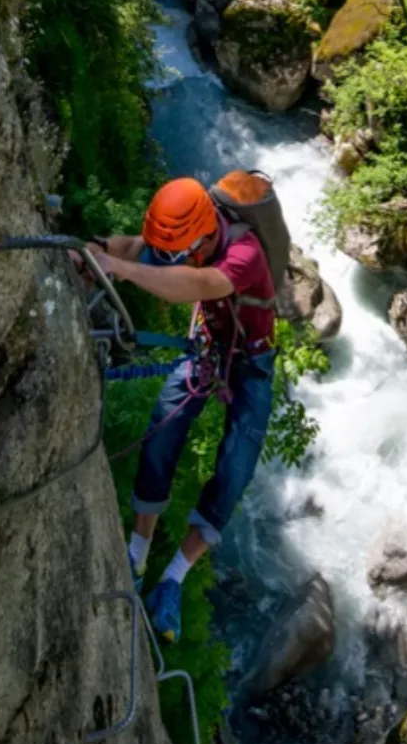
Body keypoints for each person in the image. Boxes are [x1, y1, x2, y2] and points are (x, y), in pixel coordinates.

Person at [83, 175, 276, 642]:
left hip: (252, 361)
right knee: (161, 433)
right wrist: (92, 250)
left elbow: (195, 283)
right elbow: (139, 248)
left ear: (204, 238)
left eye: (176, 254)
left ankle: (172, 580)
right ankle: (138, 551)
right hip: (210, 348)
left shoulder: (244, 255)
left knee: (234, 471)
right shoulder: (188, 238)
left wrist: (121, 270)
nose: (168, 262)